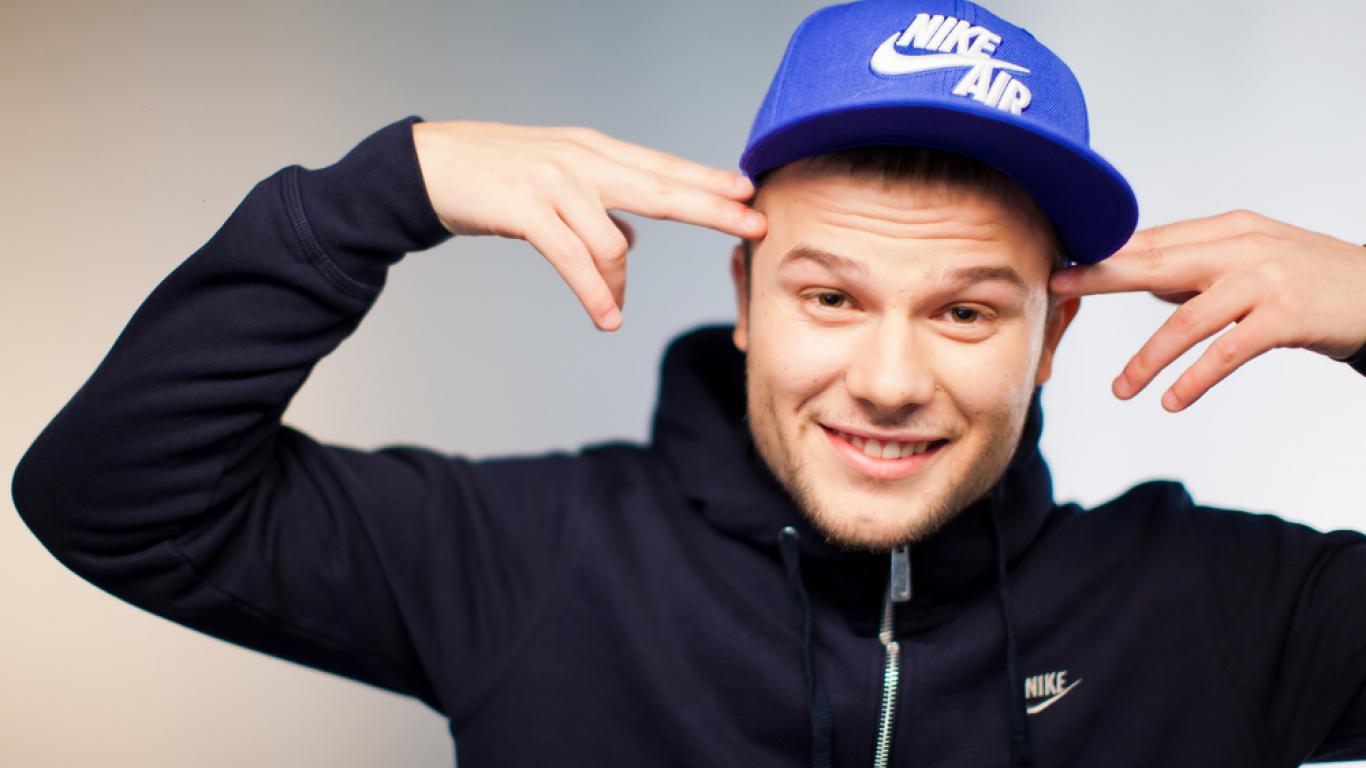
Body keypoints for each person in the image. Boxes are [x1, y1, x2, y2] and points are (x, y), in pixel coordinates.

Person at [11, 0, 1366, 765]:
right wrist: (380, 192)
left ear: (1050, 338)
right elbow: (116, 503)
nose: (889, 378)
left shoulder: (1222, 612)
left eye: (963, 311)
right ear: (744, 300)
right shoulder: (528, 560)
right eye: (830, 297)